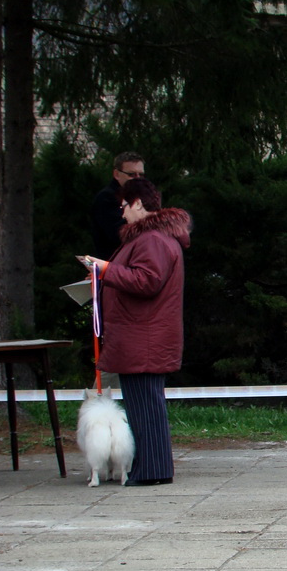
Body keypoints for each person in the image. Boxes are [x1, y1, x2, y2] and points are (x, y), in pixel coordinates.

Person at [83, 177, 191, 486]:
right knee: (146, 407)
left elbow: (147, 281)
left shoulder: (151, 240)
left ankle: (151, 470)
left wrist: (104, 269)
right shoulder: (157, 238)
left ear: (138, 204)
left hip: (143, 337)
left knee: (145, 408)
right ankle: (152, 468)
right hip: (146, 336)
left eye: (124, 205)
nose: (122, 212)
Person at [90, 152, 146, 261]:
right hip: (116, 265)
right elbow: (117, 235)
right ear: (116, 174)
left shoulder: (142, 195)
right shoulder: (106, 198)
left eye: (141, 175)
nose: (138, 179)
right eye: (131, 174)